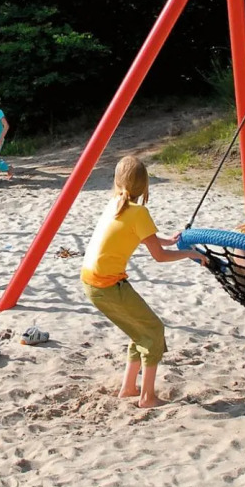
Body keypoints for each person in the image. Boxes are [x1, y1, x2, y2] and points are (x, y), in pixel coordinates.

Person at [81, 155, 205, 409]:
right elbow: (159, 257)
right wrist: (190, 253)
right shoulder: (139, 212)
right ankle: (147, 397)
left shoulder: (115, 203)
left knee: (140, 331)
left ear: (117, 183)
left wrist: (167, 240)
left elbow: (139, 235)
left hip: (92, 282)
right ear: (146, 186)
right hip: (107, 285)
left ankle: (128, 388)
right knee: (154, 331)